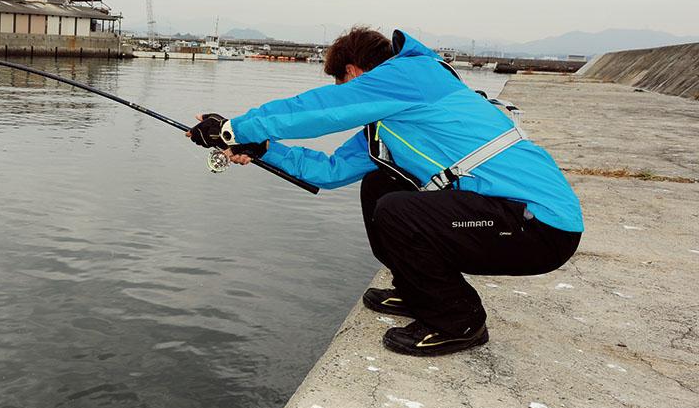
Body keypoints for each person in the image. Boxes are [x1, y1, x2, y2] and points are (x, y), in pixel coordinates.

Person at [188, 27, 582, 356]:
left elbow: (319, 108)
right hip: (497, 218)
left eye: (344, 82)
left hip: (539, 225)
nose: (346, 92)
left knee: (398, 210)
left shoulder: (411, 75)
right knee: (379, 184)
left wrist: (233, 129)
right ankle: (417, 292)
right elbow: (330, 171)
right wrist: (264, 149)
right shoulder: (387, 126)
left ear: (355, 71)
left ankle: (459, 321)